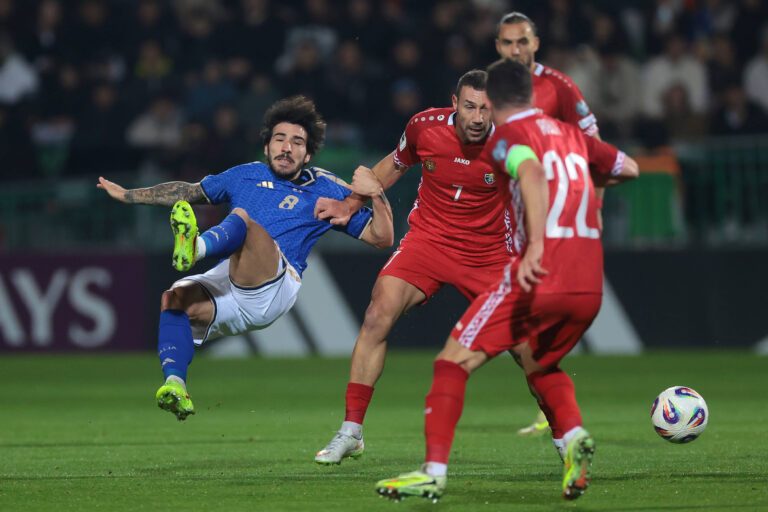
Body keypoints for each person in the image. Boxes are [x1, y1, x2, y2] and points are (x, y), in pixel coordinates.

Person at [374, 59, 638, 503]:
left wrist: (535, 245)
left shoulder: (510, 138)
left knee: (451, 363)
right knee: (540, 362)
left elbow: (531, 173)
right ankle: (571, 437)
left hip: (538, 271)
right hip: (590, 282)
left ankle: (433, 471)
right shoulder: (573, 136)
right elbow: (627, 169)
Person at [97, 95, 394, 420]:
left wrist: (376, 193)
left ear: (307, 154)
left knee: (244, 219)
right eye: (279, 139)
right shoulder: (245, 174)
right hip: (233, 277)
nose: (286, 148)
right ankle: (175, 385)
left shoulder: (325, 188)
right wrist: (130, 195)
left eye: (297, 142)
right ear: (266, 147)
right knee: (175, 298)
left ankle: (194, 249)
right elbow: (190, 191)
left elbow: (382, 238)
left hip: (278, 284)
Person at [313, 70, 516, 464]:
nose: (478, 117)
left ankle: (565, 438)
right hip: (429, 241)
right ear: (454, 103)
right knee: (376, 315)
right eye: (470, 106)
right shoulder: (424, 126)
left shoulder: (513, 143)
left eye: (486, 109)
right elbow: (394, 164)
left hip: (488, 252)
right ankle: (351, 431)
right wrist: (350, 204)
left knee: (526, 349)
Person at [495, 10, 606, 437]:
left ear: (535, 43)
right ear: (498, 47)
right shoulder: (491, 89)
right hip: (505, 215)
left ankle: (554, 404)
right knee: (514, 326)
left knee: (525, 319)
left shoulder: (557, 87)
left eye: (522, 41)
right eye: (507, 43)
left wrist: (593, 206)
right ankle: (552, 399)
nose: (515, 50)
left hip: (555, 218)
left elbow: (593, 146)